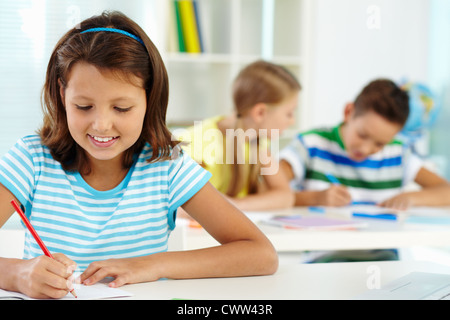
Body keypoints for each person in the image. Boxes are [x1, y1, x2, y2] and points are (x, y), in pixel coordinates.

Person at [0, 11, 277, 299]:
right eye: (83, 106)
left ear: (149, 98)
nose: (102, 125)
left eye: (121, 108)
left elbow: (261, 254)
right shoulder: (31, 159)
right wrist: (16, 274)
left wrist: (151, 265)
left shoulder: (167, 167)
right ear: (62, 94)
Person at [279, 79, 450, 210]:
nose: (366, 149)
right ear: (348, 112)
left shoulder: (397, 153)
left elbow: (446, 191)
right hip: (324, 253)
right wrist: (314, 198)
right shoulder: (311, 144)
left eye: (380, 143)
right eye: (362, 135)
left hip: (386, 254)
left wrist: (410, 198)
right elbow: (266, 189)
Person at [177, 60, 301, 211]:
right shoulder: (196, 143)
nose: (292, 121)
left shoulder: (258, 142)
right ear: (260, 113)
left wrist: (235, 205)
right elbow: (183, 205)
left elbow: (285, 197)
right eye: (289, 113)